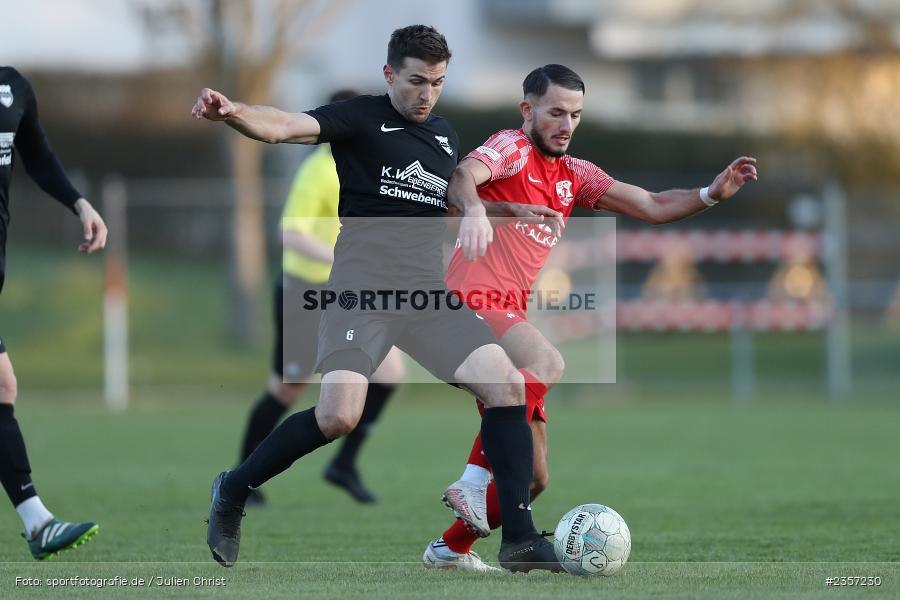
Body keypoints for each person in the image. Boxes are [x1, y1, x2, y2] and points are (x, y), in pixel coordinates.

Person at [194, 25, 565, 571]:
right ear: (390, 74)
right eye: (416, 81)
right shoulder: (360, 119)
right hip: (360, 294)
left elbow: (436, 206)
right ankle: (233, 488)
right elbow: (285, 126)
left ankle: (520, 540)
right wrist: (234, 113)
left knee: (508, 384)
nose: (426, 94)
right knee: (339, 416)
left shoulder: (442, 136)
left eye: (437, 83)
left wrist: (508, 211)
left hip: (425, 296)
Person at [422, 64, 758, 570]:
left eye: (575, 114)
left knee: (533, 478)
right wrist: (472, 210)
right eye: (556, 112)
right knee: (548, 361)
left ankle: (450, 548)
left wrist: (712, 194)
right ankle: (471, 481)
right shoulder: (511, 147)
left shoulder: (575, 175)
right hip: (469, 300)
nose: (566, 124)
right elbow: (464, 174)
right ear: (528, 110)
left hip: (506, 310)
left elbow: (651, 204)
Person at [239, 89, 404, 506]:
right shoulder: (320, 169)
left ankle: (343, 464)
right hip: (306, 291)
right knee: (288, 388)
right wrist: (342, 256)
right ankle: (243, 478)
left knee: (390, 373)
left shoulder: (369, 167)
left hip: (350, 293)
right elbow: (290, 233)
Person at [0, 66, 108, 559]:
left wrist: (80, 204)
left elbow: (38, 156)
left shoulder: (13, 87)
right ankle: (37, 521)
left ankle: (37, 522)